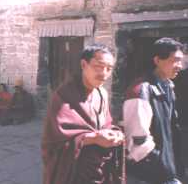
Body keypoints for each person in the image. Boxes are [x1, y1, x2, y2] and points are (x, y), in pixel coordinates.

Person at [42, 44, 124, 184]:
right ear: (83, 64)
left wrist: (115, 133)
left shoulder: (102, 93)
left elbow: (107, 124)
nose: (104, 73)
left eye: (109, 69)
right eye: (99, 66)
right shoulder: (63, 96)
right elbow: (55, 141)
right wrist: (94, 138)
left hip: (98, 167)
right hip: (74, 169)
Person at [122, 38, 184, 184]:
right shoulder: (140, 91)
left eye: (181, 61)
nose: (179, 66)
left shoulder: (168, 87)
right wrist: (163, 169)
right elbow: (138, 143)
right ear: (157, 60)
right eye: (175, 60)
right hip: (148, 176)